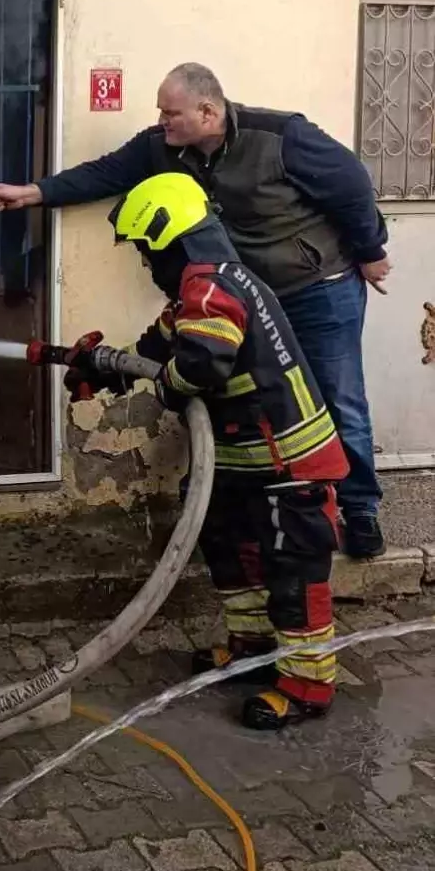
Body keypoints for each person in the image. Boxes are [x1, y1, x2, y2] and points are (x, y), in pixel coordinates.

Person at [0, 63, 390, 558]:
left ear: (207, 112)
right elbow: (106, 173)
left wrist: (371, 250)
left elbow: (351, 185)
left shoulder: (282, 137)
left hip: (317, 289)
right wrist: (32, 193)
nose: (161, 121)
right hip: (244, 300)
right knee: (244, 404)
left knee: (339, 399)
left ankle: (360, 512)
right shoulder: (162, 147)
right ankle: (255, 512)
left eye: (170, 113)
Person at [65, 173, 347, 730]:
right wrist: (106, 368)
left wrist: (167, 384)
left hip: (287, 464)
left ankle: (307, 683)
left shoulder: (211, 286)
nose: (146, 262)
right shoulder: (202, 288)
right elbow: (159, 346)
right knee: (231, 550)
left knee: (292, 574)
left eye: (147, 249)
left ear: (170, 238)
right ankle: (251, 650)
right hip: (243, 462)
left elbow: (199, 366)